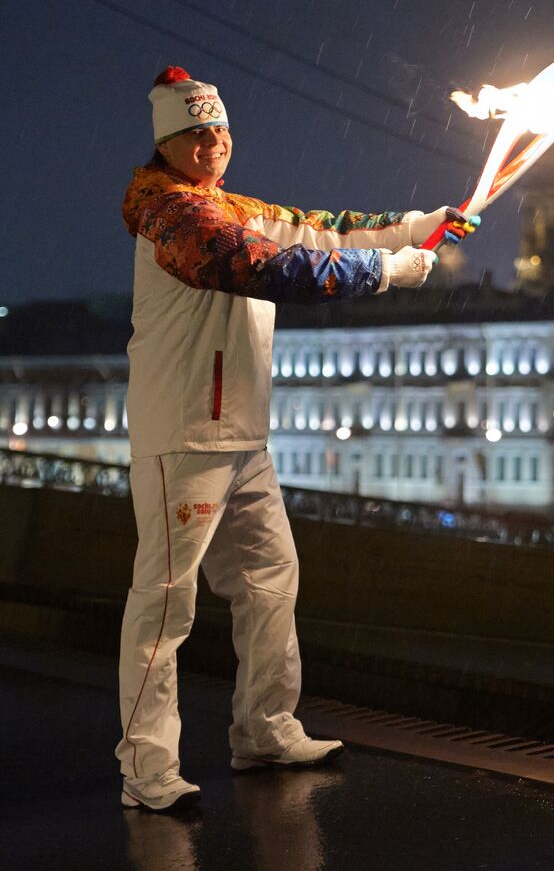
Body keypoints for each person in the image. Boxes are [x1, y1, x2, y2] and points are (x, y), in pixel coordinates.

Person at [117, 66, 478, 811]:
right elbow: (262, 265)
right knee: (165, 606)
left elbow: (324, 230)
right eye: (195, 132)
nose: (213, 141)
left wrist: (420, 225)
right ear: (168, 144)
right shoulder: (175, 219)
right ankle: (146, 766)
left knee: (270, 584)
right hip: (183, 436)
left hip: (243, 437)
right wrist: (386, 272)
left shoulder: (233, 207)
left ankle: (264, 729)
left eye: (220, 128)